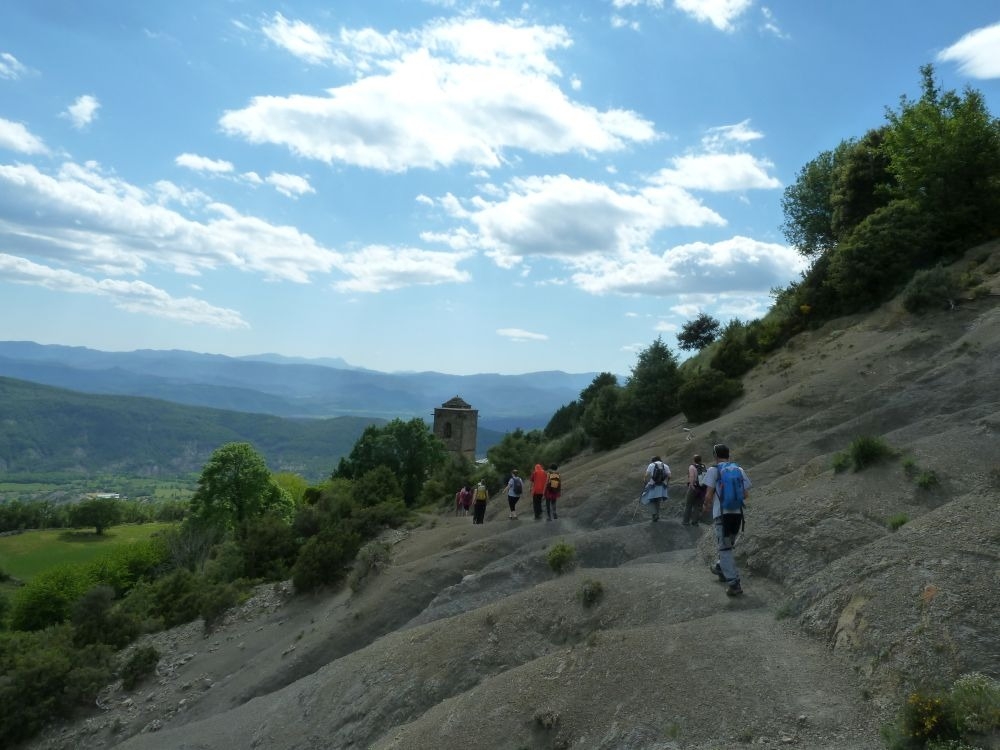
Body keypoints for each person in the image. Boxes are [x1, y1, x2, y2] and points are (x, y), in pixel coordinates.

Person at [703, 443, 751, 596]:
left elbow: (709, 493)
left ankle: (734, 583)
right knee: (728, 546)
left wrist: (706, 506)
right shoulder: (738, 469)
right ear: (728, 455)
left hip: (721, 515)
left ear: (715, 456)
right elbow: (745, 494)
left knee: (724, 548)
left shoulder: (713, 470)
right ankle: (720, 568)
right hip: (737, 514)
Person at [641, 455, 671, 522]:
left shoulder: (651, 465)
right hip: (662, 486)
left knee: (644, 498)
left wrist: (645, 481)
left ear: (653, 460)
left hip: (653, 485)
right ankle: (657, 515)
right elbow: (669, 476)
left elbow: (646, 475)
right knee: (658, 501)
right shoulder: (665, 466)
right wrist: (667, 483)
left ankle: (654, 514)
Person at [682, 454, 707, 526]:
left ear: (694, 460)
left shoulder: (692, 467)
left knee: (688, 504)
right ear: (700, 460)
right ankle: (695, 522)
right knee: (697, 505)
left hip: (694, 487)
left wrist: (691, 485)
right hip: (701, 488)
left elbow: (692, 476)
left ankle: (686, 521)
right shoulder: (703, 466)